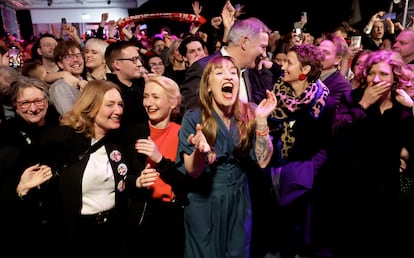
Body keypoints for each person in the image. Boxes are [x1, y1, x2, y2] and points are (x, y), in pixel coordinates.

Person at [176, 55, 276, 257]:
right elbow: (192, 172)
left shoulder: (249, 113)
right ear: (209, 86)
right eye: (219, 73)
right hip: (205, 202)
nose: (228, 77)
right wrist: (200, 152)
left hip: (239, 198)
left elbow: (263, 161)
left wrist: (262, 121)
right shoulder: (195, 117)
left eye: (233, 73)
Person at [36, 80, 149, 256]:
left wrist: (137, 182)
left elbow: (124, 182)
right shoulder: (62, 141)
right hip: (76, 233)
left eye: (120, 105)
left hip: (113, 232)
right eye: (110, 105)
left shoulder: (118, 142)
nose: (118, 111)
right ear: (91, 106)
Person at [330, 49, 414, 258]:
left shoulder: (401, 108)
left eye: (384, 74)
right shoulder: (352, 99)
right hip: (352, 190)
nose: (376, 79)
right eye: (371, 73)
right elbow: (337, 135)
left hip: (387, 192)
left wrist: (412, 109)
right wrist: (363, 105)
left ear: (395, 78)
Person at [266, 44, 335, 258]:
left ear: (304, 70)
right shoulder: (273, 96)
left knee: (298, 242)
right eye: (283, 61)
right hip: (272, 177)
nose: (282, 67)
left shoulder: (324, 102)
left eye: (289, 62)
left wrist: (306, 172)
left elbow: (327, 145)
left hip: (303, 186)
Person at [0, 76, 60, 256]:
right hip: (19, 223)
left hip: (59, 223)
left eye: (38, 101)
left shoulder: (63, 129)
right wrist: (20, 190)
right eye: (25, 103)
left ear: (47, 102)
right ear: (15, 105)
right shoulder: (5, 136)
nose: (33, 108)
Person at [133, 75, 188, 258]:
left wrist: (159, 159)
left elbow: (186, 184)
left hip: (171, 216)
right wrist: (137, 182)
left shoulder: (182, 134)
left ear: (173, 102)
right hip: (141, 213)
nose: (149, 103)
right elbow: (123, 177)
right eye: (146, 96)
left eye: (155, 97)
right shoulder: (135, 133)